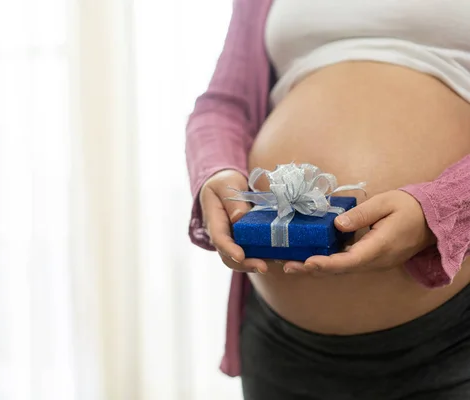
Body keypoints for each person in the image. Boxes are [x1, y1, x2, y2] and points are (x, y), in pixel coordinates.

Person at [185, 1, 470, 399]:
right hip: (281, 346)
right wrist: (217, 173)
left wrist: (443, 207)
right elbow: (222, 105)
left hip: (453, 339)